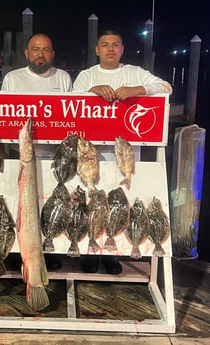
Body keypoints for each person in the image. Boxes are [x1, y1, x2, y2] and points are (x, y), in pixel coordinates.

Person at [73, 29, 172, 275]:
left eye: (115, 44)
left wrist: (136, 90)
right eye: (105, 45)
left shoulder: (134, 72)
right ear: (97, 50)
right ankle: (90, 253)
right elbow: (72, 101)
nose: (110, 49)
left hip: (124, 157)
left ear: (122, 49)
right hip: (92, 156)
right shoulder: (86, 76)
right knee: (92, 204)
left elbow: (165, 87)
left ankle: (113, 255)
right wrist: (93, 90)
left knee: (120, 207)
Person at [1, 33, 72, 270]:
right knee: (16, 203)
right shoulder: (12, 78)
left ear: (52, 54)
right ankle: (15, 250)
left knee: (47, 205)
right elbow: (1, 115)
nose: (40, 54)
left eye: (46, 50)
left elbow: (71, 115)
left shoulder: (63, 77)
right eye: (35, 49)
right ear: (26, 53)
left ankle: (47, 250)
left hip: (52, 155)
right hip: (19, 154)